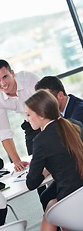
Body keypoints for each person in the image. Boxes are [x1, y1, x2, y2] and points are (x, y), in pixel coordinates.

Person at [25, 90, 83, 231]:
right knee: (51, 204)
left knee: (52, 210)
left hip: (72, 201)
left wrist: (45, 172)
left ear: (41, 114)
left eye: (28, 115)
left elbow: (31, 183)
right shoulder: (74, 124)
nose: (27, 120)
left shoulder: (40, 140)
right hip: (79, 195)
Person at [34, 76, 83, 211]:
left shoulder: (78, 113)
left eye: (48, 98)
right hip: (74, 170)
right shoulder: (59, 114)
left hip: (78, 174)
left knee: (47, 198)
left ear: (60, 95)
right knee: (45, 196)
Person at [0, 59, 40, 171]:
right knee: (35, 168)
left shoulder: (29, 80)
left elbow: (48, 106)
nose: (3, 84)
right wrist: (16, 161)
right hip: (30, 123)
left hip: (46, 117)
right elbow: (4, 132)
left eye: (5, 77)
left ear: (12, 73)